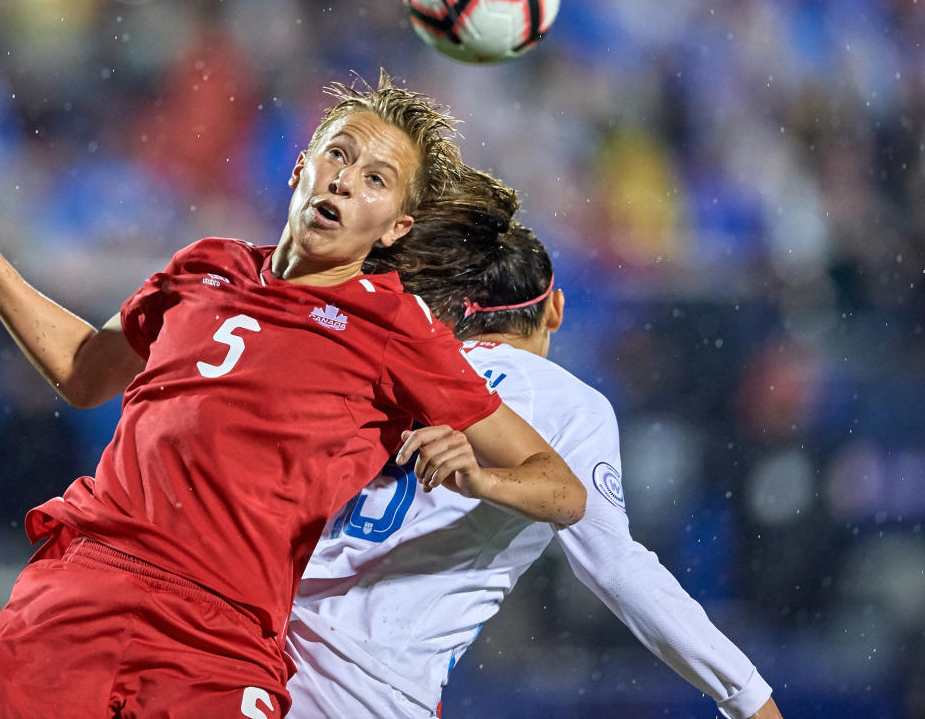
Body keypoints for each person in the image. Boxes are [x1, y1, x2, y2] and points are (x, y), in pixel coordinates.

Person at [0, 73, 586, 718]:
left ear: (394, 230)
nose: (347, 180)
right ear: (301, 167)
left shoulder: (396, 330)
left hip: (222, 636)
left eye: (376, 180)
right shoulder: (206, 266)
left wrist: (480, 477)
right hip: (86, 584)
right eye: (339, 155)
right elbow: (84, 371)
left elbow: (561, 488)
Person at [285, 188, 783, 719]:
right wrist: (745, 693)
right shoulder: (566, 401)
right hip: (364, 684)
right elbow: (616, 567)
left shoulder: (408, 370)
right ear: (557, 309)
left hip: (271, 647)